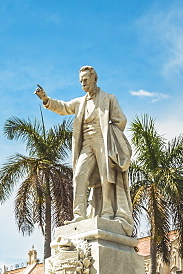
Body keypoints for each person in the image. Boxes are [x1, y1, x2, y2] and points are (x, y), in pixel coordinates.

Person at [35, 66, 133, 230]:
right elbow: (64, 107)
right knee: (79, 175)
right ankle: (79, 215)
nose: (83, 84)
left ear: (95, 79)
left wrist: (110, 133)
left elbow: (121, 121)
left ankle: (108, 211)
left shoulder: (108, 98)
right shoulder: (80, 102)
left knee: (106, 176)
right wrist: (46, 99)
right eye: (81, 81)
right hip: (86, 144)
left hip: (103, 141)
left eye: (86, 80)